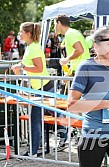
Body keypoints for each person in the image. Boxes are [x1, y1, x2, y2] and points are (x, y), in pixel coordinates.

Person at [67, 25, 109, 167]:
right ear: (96, 47)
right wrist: (106, 104)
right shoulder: (86, 67)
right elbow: (72, 104)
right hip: (93, 136)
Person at [11, 22, 67, 156]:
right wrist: (20, 66)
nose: (19, 34)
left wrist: (22, 67)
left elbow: (39, 68)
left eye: (21, 32)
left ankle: (34, 150)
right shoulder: (31, 47)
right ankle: (57, 138)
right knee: (45, 116)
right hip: (39, 88)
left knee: (38, 119)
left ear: (28, 34)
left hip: (44, 88)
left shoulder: (34, 48)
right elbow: (30, 65)